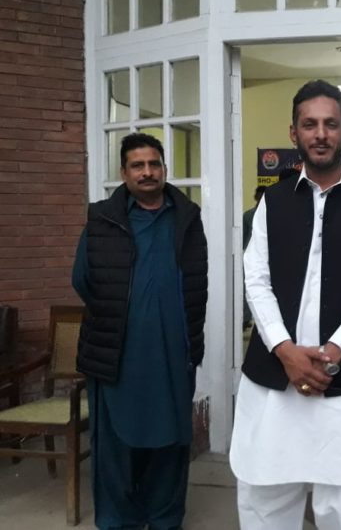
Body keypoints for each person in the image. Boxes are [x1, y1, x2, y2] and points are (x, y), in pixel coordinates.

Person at [230, 79, 341, 530]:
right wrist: (285, 350)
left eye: (330, 124)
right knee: (266, 494)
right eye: (310, 124)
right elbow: (256, 279)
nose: (320, 134)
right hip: (276, 374)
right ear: (294, 133)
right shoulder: (274, 201)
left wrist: (333, 351)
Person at [72, 133, 208, 530]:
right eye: (138, 165)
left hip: (172, 354)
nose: (147, 172)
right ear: (124, 172)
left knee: (171, 443)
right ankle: (119, 521)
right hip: (116, 353)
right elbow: (83, 280)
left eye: (154, 164)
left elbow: (196, 281)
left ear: (164, 168)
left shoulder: (186, 217)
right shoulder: (102, 220)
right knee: (115, 447)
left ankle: (164, 518)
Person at [242, 185, 266, 327]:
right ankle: (246, 318)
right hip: (250, 257)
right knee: (248, 287)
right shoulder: (248, 216)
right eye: (260, 196)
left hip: (267, 256)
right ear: (256, 198)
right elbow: (242, 238)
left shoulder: (273, 214)